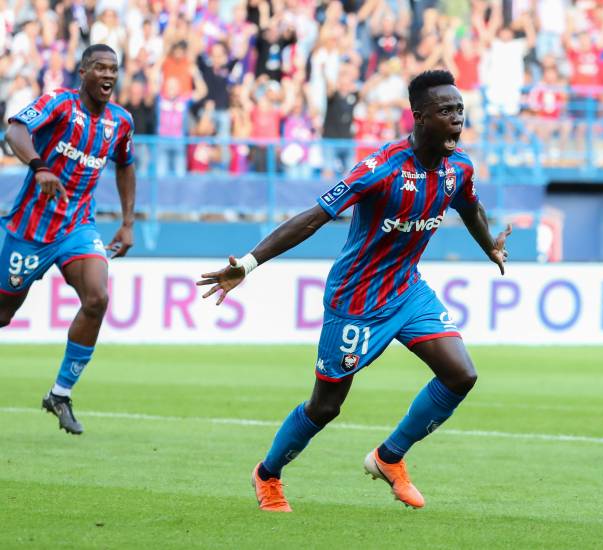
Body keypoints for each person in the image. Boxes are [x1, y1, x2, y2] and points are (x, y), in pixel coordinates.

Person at [197, 70, 510, 512]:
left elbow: (470, 207)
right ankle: (267, 474)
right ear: (420, 117)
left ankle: (389, 457)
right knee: (325, 407)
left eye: (460, 111)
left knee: (461, 374)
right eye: (446, 111)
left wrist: (490, 247)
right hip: (356, 302)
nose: (457, 120)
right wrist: (248, 263)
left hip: (407, 291)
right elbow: (313, 217)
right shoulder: (381, 168)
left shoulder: (459, 167)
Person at [0, 44, 136, 435]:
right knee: (4, 314)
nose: (108, 75)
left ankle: (60, 393)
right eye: (100, 68)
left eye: (114, 68)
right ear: (83, 71)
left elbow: (126, 166)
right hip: (30, 229)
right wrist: (40, 166)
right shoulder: (59, 103)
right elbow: (15, 128)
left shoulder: (120, 121)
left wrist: (128, 222)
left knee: (97, 298)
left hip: (77, 227)